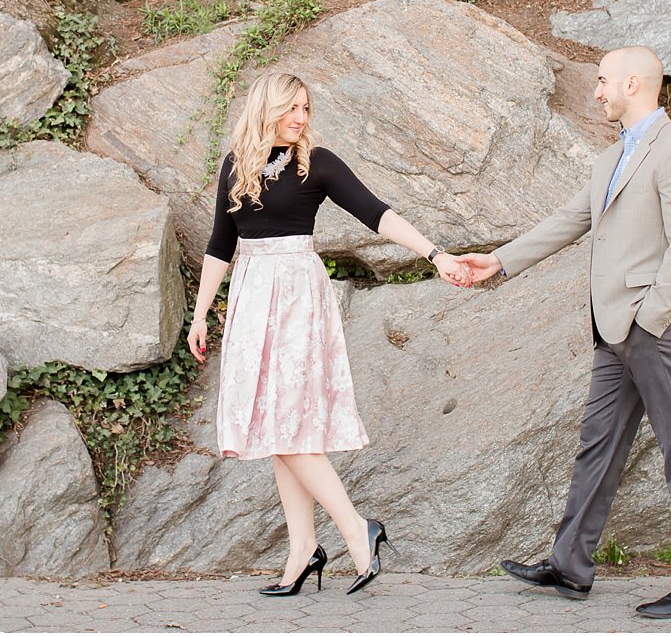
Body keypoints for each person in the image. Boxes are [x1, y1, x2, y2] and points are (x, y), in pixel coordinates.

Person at [455, 45, 671, 619]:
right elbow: (568, 221)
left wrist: (650, 317)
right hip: (612, 330)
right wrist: (498, 261)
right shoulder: (610, 159)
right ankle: (570, 566)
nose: (597, 91)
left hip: (652, 326)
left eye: (603, 81)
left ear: (634, 83)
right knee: (597, 446)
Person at [186, 71, 472, 597]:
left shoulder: (316, 163)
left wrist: (434, 254)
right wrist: (201, 312)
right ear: (266, 107)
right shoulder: (235, 165)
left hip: (296, 296)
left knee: (287, 425)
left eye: (306, 109)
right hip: (252, 297)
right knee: (277, 428)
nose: (301, 117)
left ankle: (354, 531)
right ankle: (302, 551)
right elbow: (219, 243)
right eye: (292, 107)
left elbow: (375, 213)